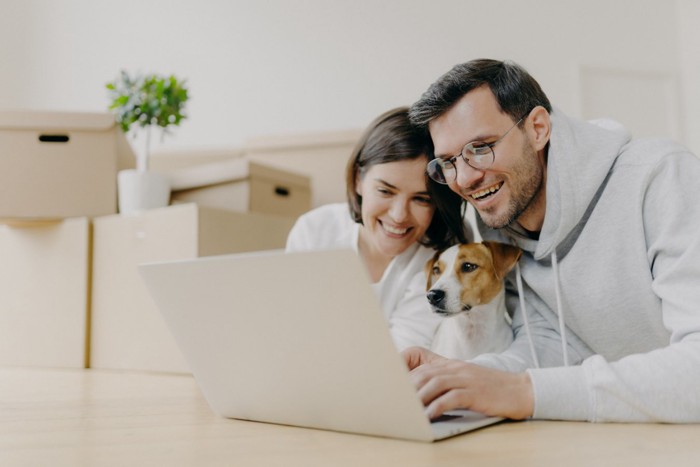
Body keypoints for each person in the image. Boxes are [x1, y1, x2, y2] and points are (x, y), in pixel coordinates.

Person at [402, 58, 700, 423]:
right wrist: (460, 376)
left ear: (538, 128)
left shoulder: (662, 177)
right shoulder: (501, 219)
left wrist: (525, 393)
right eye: (448, 162)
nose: (464, 179)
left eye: (481, 147)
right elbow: (547, 345)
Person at [286, 107, 469, 351]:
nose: (399, 215)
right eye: (385, 191)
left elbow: (404, 352)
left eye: (421, 199)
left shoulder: (443, 254)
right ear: (358, 180)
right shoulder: (315, 230)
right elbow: (293, 328)